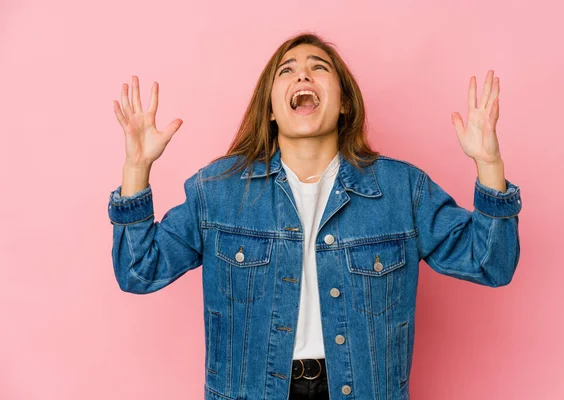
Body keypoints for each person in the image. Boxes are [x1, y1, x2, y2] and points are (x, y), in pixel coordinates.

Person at [108, 32, 522, 400]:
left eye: (318, 68)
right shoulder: (218, 190)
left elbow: (491, 264)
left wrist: (489, 163)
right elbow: (139, 270)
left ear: (343, 104)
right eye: (287, 71)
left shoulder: (401, 190)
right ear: (270, 109)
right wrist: (136, 169)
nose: (302, 77)